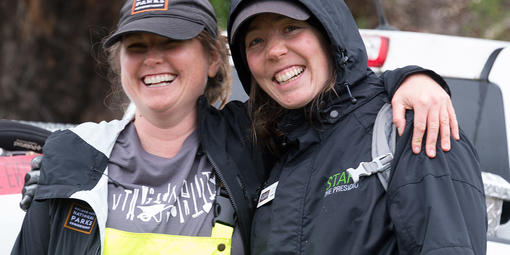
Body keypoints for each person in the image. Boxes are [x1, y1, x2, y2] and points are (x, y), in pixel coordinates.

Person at [13, 0, 461, 254]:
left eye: (171, 43)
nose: (153, 58)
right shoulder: (75, 154)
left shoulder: (255, 143)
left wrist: (411, 79)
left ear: (213, 58)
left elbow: (338, 105)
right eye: (137, 45)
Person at [227, 0, 486, 254]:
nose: (274, 51)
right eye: (255, 41)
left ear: (330, 34)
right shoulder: (269, 153)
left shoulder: (413, 127)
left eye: (291, 28)